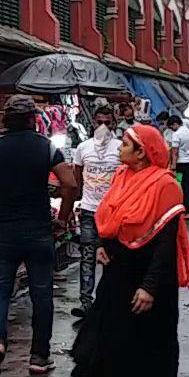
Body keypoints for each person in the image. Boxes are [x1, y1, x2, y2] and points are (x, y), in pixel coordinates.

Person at [71, 124, 189, 377]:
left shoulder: (165, 185)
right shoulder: (122, 177)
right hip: (119, 269)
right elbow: (111, 217)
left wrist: (149, 287)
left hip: (152, 274)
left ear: (142, 153)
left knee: (155, 338)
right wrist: (103, 244)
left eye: (126, 143)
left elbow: (166, 242)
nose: (119, 148)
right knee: (99, 334)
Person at [0, 95, 79, 377]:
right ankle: (39, 356)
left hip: (5, 231)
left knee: (1, 289)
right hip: (39, 230)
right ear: (33, 119)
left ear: (6, 119)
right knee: (42, 292)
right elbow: (69, 184)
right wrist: (63, 218)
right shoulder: (46, 147)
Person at [71, 105, 122, 318]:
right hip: (90, 211)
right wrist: (77, 203)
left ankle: (110, 301)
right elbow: (77, 177)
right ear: (93, 122)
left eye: (107, 123)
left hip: (113, 211)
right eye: (99, 122)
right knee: (88, 255)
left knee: (113, 257)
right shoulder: (83, 148)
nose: (102, 127)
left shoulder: (121, 148)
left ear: (114, 124)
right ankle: (86, 302)